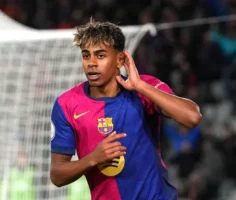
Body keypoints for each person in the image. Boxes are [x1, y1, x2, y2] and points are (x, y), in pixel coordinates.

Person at [50, 19, 202, 200]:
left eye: (100, 55)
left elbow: (192, 117)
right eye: (86, 55)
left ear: (120, 59)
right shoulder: (67, 104)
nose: (91, 63)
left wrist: (139, 85)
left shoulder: (146, 89)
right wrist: (93, 158)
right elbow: (57, 175)